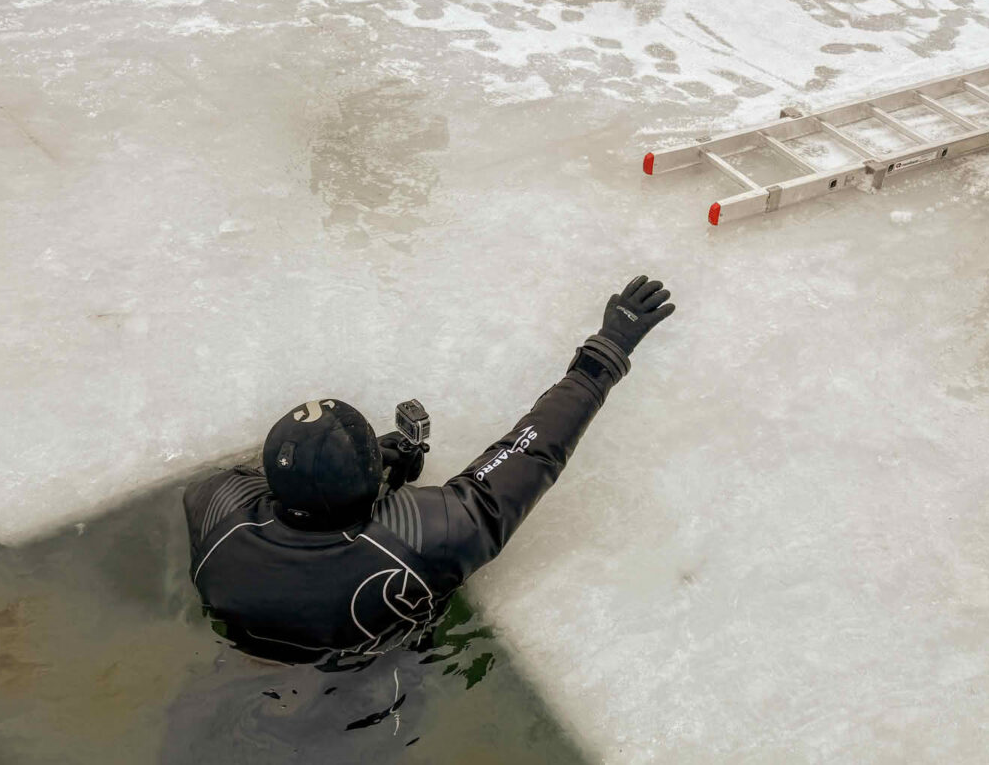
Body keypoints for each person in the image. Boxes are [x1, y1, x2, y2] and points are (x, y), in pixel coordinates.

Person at [183, 276, 675, 665]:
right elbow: (532, 451)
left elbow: (268, 488)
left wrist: (377, 467)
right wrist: (608, 349)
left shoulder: (214, 507)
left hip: (245, 655)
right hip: (373, 682)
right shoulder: (422, 536)